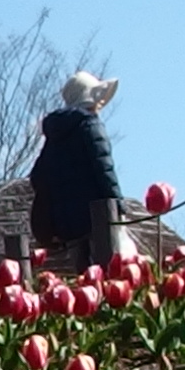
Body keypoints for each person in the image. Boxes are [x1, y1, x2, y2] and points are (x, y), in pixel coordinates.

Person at [26, 72, 122, 268]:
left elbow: (38, 176)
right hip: (97, 216)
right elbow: (104, 168)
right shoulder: (90, 125)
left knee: (83, 275)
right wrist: (118, 205)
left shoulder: (55, 136)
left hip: (67, 225)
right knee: (107, 270)